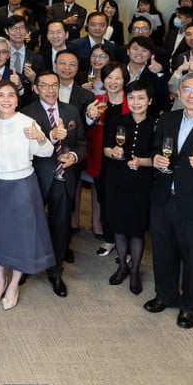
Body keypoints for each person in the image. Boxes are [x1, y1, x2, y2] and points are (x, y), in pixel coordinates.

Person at [0, 80, 56, 311]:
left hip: (23, 186)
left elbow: (47, 151)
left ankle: (14, 284)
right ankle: (0, 280)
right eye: (1, 95)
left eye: (11, 95)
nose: (6, 100)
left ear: (17, 100)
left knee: (22, 237)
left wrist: (39, 137)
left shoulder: (27, 122)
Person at [147, 74, 193, 329]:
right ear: (179, 94)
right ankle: (165, 295)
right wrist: (156, 159)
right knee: (163, 250)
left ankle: (191, 306)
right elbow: (155, 149)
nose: (192, 95)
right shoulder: (168, 119)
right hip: (164, 196)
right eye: (187, 90)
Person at [21, 72, 87, 297]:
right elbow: (24, 147)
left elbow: (82, 144)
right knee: (32, 226)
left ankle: (55, 272)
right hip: (37, 178)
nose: (50, 90)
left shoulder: (71, 111)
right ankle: (27, 266)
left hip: (63, 178)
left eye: (54, 85)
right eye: (44, 86)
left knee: (60, 227)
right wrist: (50, 135)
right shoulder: (26, 113)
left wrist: (74, 157)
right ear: (35, 88)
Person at [101, 81, 156, 295]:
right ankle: (122, 265)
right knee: (119, 225)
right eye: (131, 98)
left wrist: (141, 162)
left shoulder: (156, 124)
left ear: (149, 101)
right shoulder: (117, 120)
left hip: (141, 182)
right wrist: (113, 152)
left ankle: (134, 271)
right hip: (117, 179)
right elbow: (106, 148)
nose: (136, 102)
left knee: (136, 228)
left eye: (141, 98)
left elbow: (160, 157)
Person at [84, 61, 130, 257]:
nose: (113, 81)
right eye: (109, 77)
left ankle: (127, 243)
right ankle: (110, 239)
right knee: (104, 199)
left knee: (125, 202)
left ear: (125, 80)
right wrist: (90, 116)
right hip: (101, 160)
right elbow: (86, 131)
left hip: (126, 161)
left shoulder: (132, 101)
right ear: (103, 79)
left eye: (118, 77)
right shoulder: (96, 101)